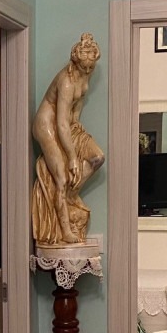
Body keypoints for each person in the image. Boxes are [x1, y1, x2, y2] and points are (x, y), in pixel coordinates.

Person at [31, 34, 105, 245]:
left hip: (67, 123)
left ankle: (70, 194)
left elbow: (78, 103)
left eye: (91, 68)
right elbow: (61, 122)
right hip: (47, 125)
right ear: (75, 62)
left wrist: (77, 123)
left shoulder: (85, 73)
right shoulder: (66, 82)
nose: (88, 71)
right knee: (61, 178)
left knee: (98, 157)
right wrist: (72, 157)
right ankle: (64, 229)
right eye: (84, 67)